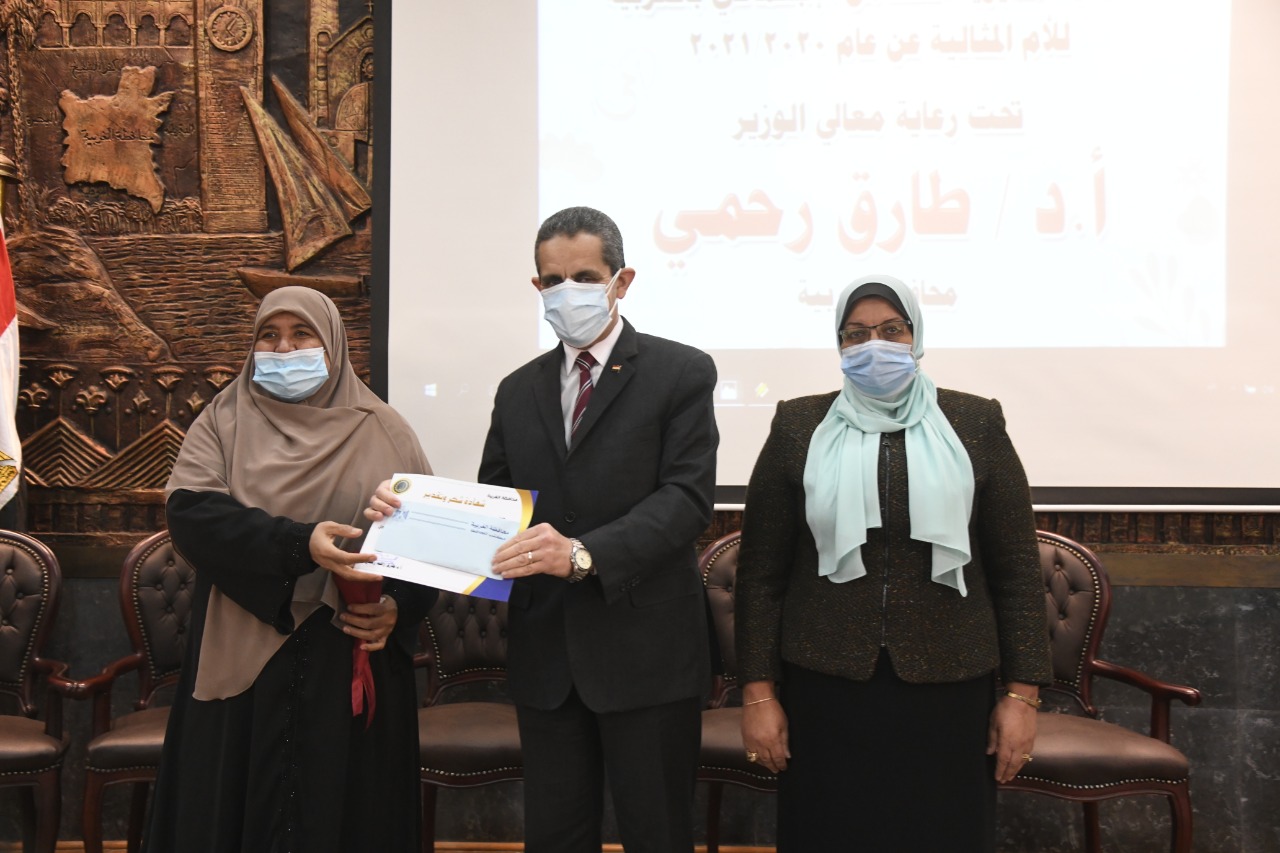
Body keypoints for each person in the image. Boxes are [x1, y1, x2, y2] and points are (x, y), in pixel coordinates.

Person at [370, 206, 718, 852]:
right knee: (554, 838)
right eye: (553, 280)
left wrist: (583, 553)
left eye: (585, 277)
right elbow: (495, 513)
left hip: (648, 656)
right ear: (537, 287)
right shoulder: (516, 391)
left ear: (622, 281)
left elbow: (686, 500)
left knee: (657, 834)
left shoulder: (681, 373)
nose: (567, 291)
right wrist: (405, 521)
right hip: (547, 658)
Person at [735, 275, 1051, 852]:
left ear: (916, 335)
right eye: (855, 334)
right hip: (825, 683)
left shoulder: (975, 422)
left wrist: (1022, 695)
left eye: (891, 330)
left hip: (950, 681)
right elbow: (760, 575)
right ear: (838, 343)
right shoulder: (798, 425)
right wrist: (757, 695)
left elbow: (1016, 572)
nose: (873, 345)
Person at [144, 287, 433, 853]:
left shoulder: (384, 428)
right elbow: (193, 516)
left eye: (302, 335)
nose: (283, 349)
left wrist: (398, 609)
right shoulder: (223, 420)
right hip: (243, 647)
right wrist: (301, 544)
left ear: (333, 344)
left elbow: (426, 544)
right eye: (268, 336)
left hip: (345, 651)